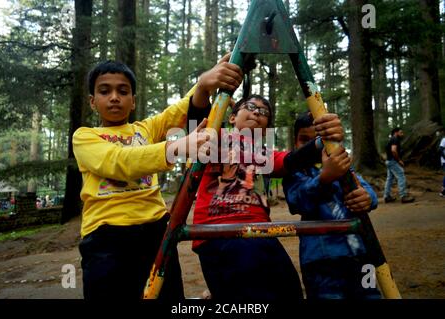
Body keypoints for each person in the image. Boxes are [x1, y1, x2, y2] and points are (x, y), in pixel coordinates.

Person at [72, 55, 243, 300]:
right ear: (92, 101)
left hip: (155, 233)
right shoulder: (85, 136)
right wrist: (177, 147)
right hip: (106, 238)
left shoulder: (145, 129)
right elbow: (118, 162)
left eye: (123, 91)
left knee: (168, 295)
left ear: (133, 101)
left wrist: (205, 82)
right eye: (104, 91)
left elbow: (179, 110)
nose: (114, 97)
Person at [192, 95, 345, 300]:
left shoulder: (264, 154)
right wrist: (205, 89)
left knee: (290, 289)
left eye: (264, 112)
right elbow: (199, 118)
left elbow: (293, 160)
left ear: (265, 129)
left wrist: (324, 138)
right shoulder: (217, 137)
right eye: (251, 107)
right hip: (219, 232)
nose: (257, 112)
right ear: (231, 118)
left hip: (261, 233)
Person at [282, 111, 381, 299]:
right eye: (304, 140)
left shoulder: (342, 165)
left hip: (361, 254)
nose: (312, 147)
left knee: (370, 295)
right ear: (294, 143)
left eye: (317, 141)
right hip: (321, 260)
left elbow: (364, 188)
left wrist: (367, 197)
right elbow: (297, 201)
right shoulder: (295, 171)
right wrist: (324, 178)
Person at [383, 128, 415, 203]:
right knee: (401, 176)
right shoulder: (395, 139)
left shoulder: (391, 139)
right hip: (392, 161)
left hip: (389, 161)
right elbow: (393, 150)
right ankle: (403, 196)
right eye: (401, 132)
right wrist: (399, 160)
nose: (402, 134)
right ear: (395, 133)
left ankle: (387, 196)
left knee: (389, 179)